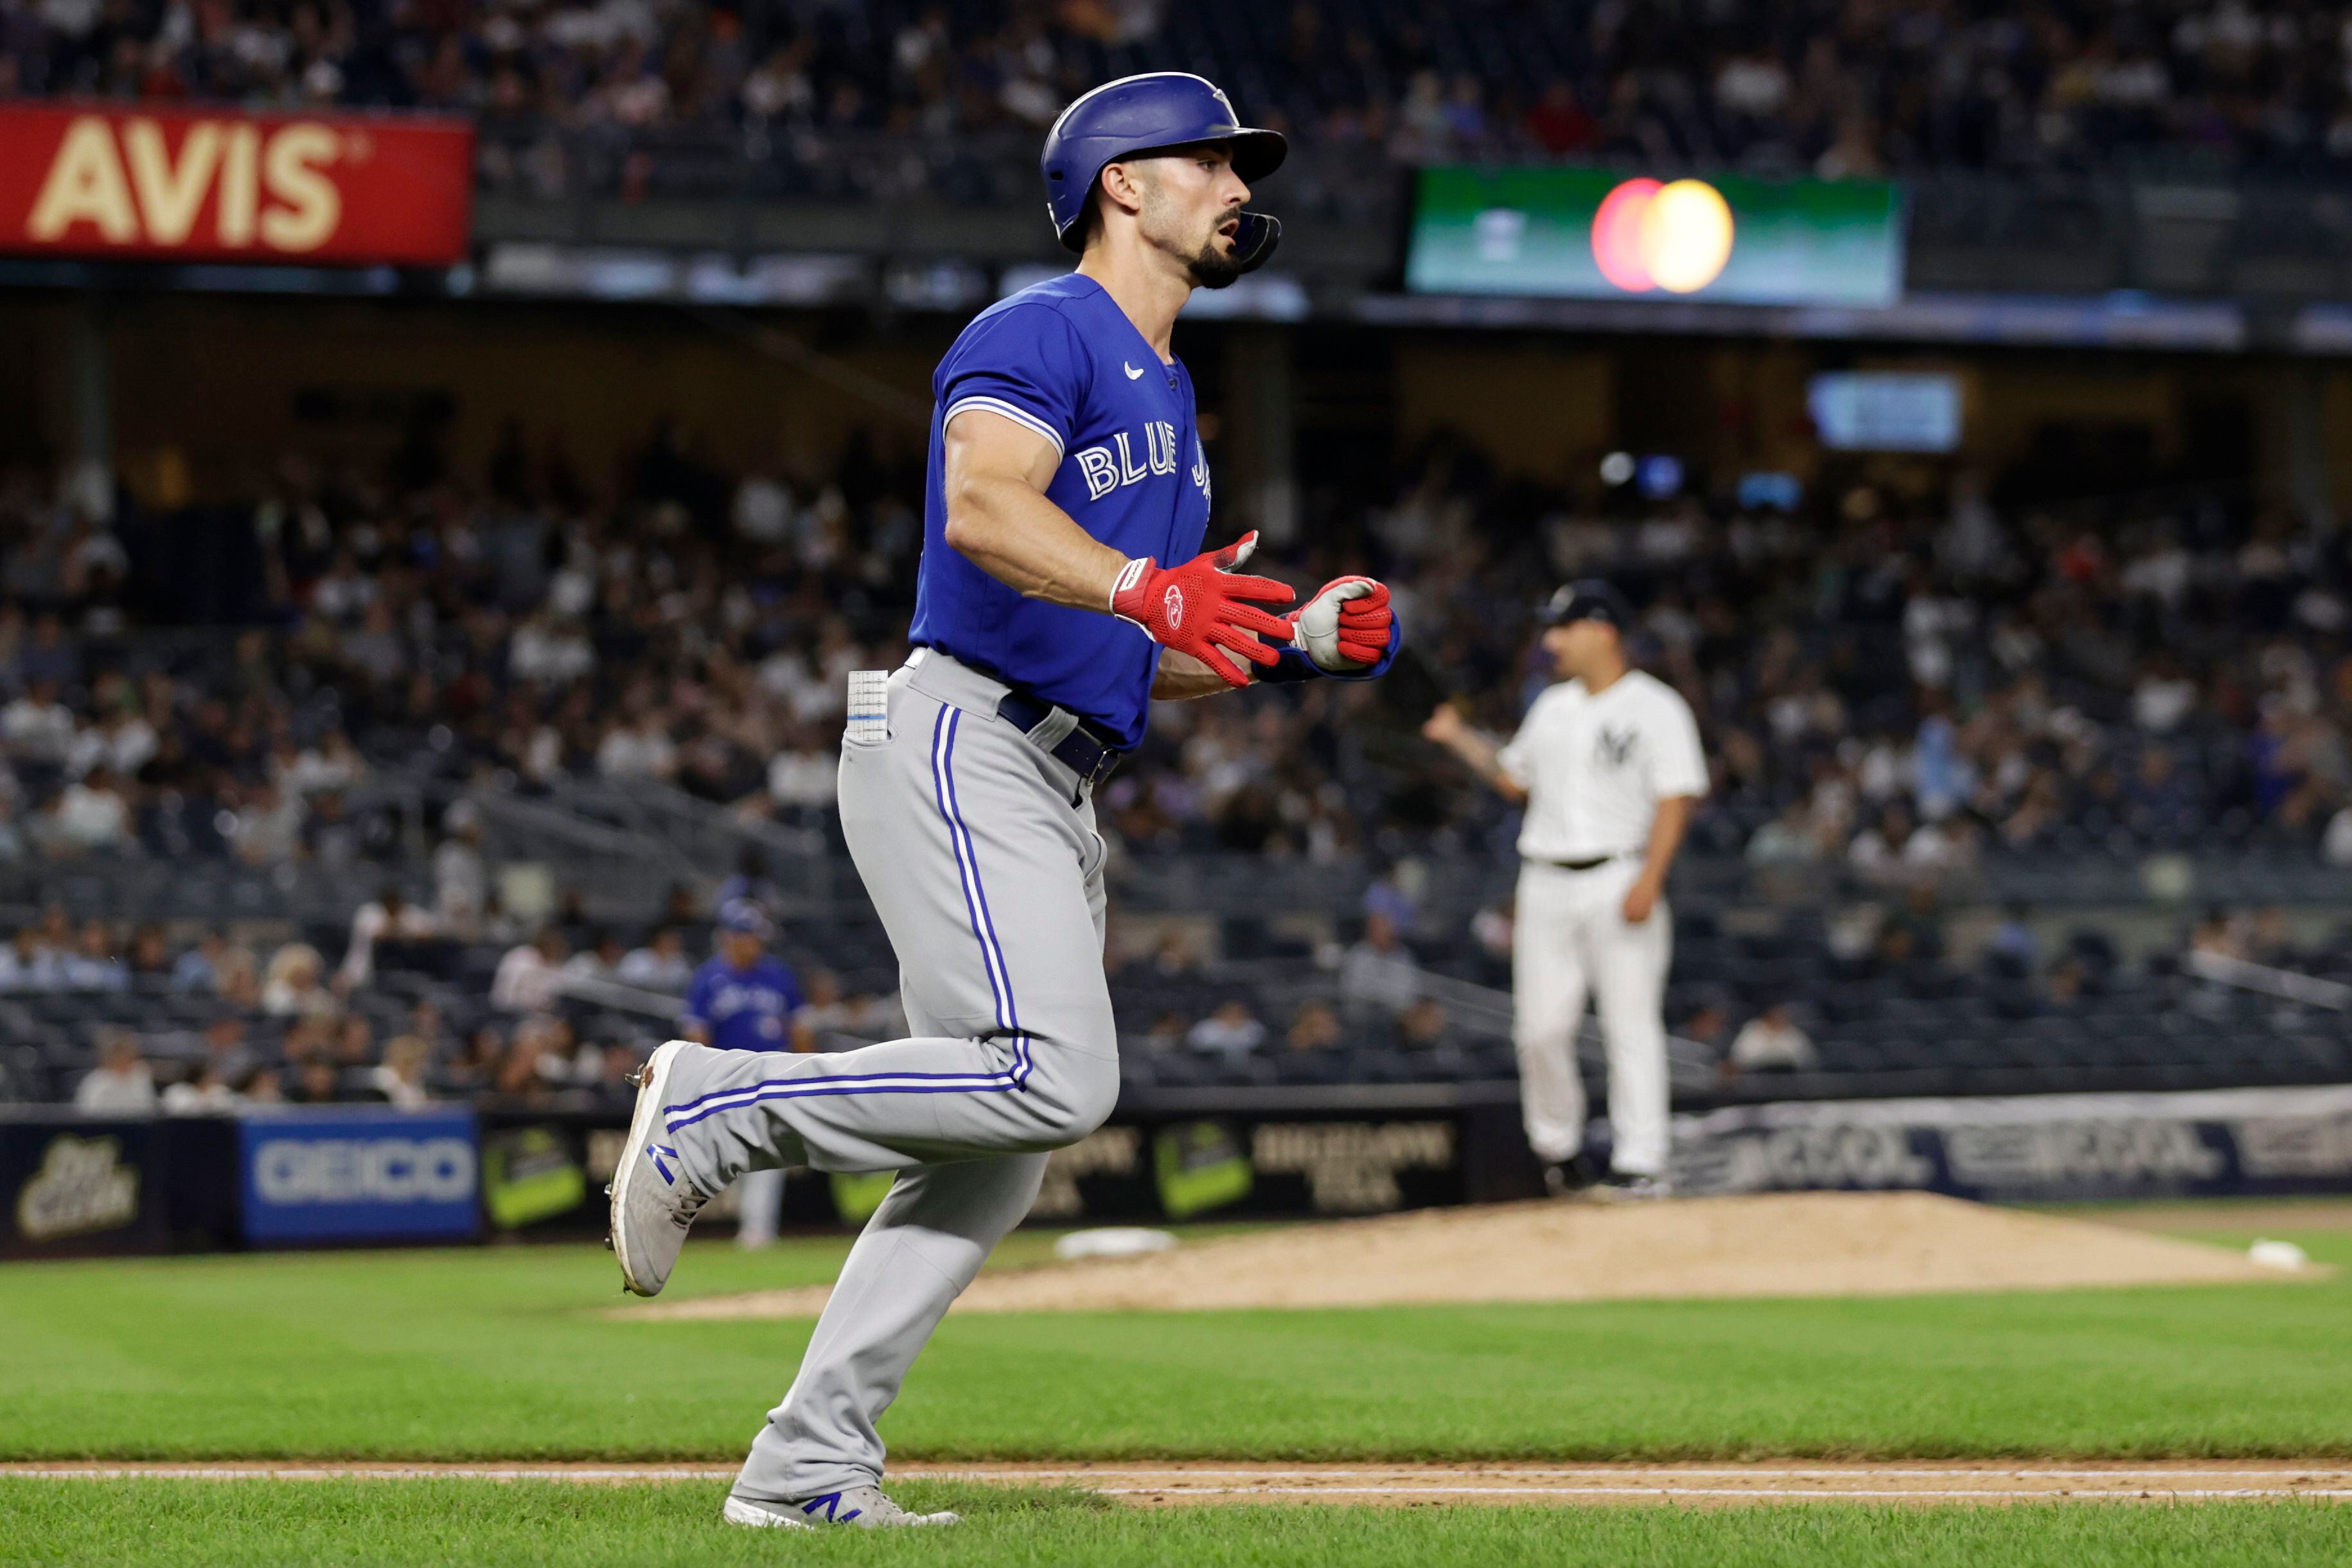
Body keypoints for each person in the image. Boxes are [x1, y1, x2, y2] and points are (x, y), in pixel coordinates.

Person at [605, 72, 1398, 1532]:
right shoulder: (1043, 328)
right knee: (1053, 1075)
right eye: (1208, 161)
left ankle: (805, 1464)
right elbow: (983, 504)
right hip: (963, 732)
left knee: (1003, 1152)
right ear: (1122, 184)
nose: (1235, 185)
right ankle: (717, 1103)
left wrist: (1281, 645)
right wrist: (1147, 584)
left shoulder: (1173, 401)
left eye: (1238, 166)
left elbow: (1136, 653)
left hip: (1050, 759)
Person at [1423, 580, 1706, 1200]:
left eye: (1562, 627)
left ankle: (1641, 1160)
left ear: (1601, 630)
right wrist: (1458, 738)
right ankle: (1559, 1151)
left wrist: (1651, 878)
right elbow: (1513, 780)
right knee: (1539, 1030)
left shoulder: (1654, 706)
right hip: (1545, 879)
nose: (1551, 640)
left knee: (1629, 1025)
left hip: (1619, 872)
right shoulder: (1552, 706)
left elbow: (1676, 796)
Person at [680, 900, 813, 1251]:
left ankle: (759, 1232)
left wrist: (806, 1074)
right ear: (730, 938)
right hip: (728, 1082)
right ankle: (751, 1227)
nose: (754, 943)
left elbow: (799, 1029)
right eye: (748, 936)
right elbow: (697, 1034)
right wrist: (701, 1081)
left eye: (757, 936)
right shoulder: (709, 978)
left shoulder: (778, 975)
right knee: (733, 1160)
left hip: (773, 1077)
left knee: (769, 1154)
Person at [75, 1030, 157, 1114]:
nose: (124, 1058)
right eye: (119, 1054)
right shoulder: (95, 1084)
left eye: (128, 1053)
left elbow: (150, 1108)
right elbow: (89, 1117)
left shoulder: (141, 1074)